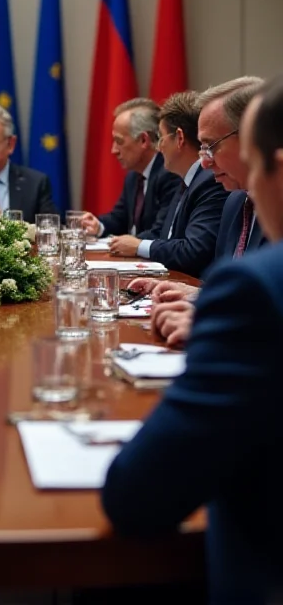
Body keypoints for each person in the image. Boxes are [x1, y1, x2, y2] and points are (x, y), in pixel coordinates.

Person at [102, 75, 283, 605]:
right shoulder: (238, 222)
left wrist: (215, 319)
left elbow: (136, 496)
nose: (208, 165)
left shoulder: (259, 291)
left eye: (225, 150)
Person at [129, 78, 268, 344]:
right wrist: (196, 293)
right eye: (202, 147)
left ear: (253, 136)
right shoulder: (235, 202)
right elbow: (242, 295)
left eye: (211, 146)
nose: (204, 162)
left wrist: (215, 324)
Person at [107, 92, 229, 278]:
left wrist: (139, 246)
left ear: (179, 139)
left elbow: (194, 250)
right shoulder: (186, 179)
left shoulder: (209, 181)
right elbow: (165, 237)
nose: (158, 147)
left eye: (161, 138)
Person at [81, 98, 181, 238]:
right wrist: (98, 225)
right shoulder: (134, 175)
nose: (113, 150)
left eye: (119, 141)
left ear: (143, 140)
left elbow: (161, 232)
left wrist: (130, 244)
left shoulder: (169, 173)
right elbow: (119, 218)